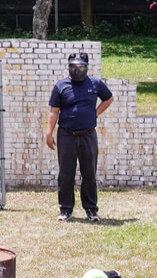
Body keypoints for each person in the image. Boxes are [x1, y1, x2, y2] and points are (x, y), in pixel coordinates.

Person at [45, 52, 114, 223]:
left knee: (89, 173)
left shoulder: (95, 83)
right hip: (66, 135)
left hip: (88, 135)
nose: (77, 70)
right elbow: (54, 112)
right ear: (69, 67)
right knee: (66, 174)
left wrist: (95, 114)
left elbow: (108, 98)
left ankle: (91, 210)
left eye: (81, 66)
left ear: (86, 67)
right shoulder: (61, 85)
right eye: (74, 67)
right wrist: (49, 133)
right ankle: (66, 209)